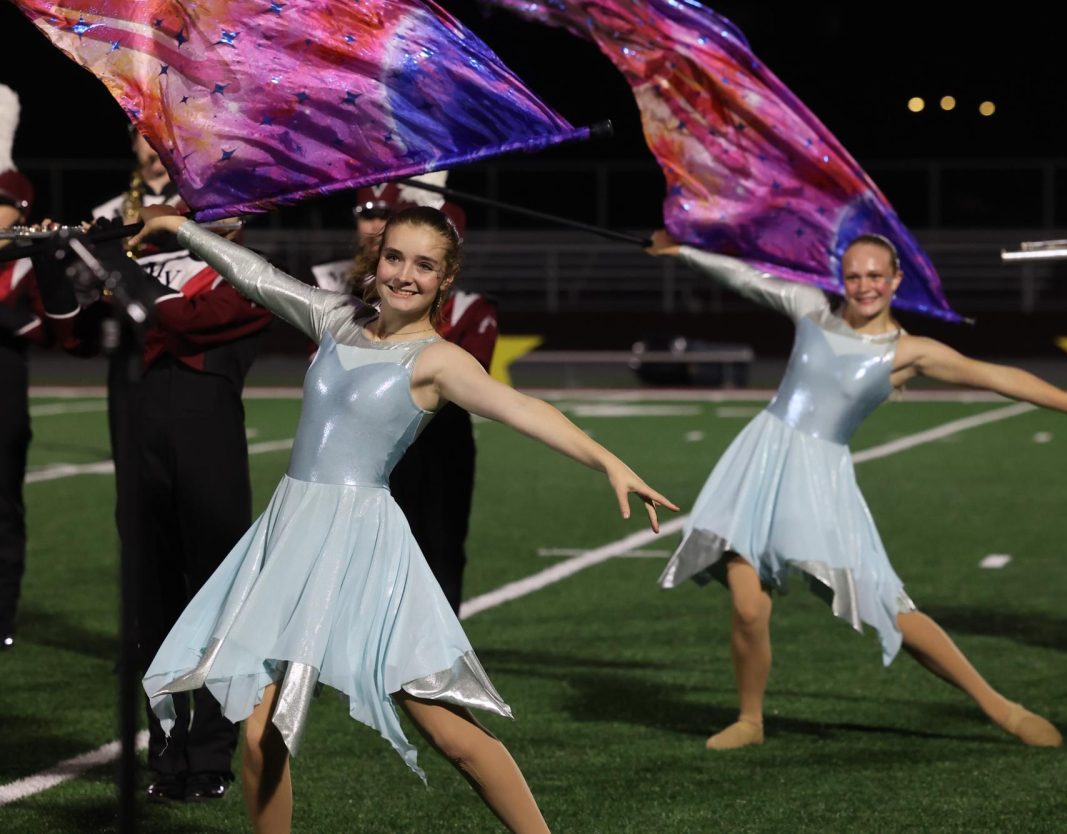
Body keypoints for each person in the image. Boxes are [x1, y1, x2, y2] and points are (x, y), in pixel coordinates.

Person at [134, 204, 675, 834]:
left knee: (451, 733)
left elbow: (524, 409)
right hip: (289, 538)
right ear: (375, 258)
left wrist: (608, 461)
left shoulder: (438, 361)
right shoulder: (335, 319)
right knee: (259, 733)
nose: (405, 274)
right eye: (395, 257)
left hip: (365, 549)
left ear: (446, 279)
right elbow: (254, 274)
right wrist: (181, 231)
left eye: (425, 265)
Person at [647, 229, 1067, 751]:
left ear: (896, 280)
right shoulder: (810, 309)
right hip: (759, 462)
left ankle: (1002, 708)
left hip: (819, 480)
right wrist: (683, 252)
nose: (864, 285)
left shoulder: (909, 352)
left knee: (890, 608)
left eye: (876, 275)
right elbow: (746, 277)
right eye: (854, 275)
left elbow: (992, 375)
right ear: (841, 278)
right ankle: (750, 719)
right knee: (747, 606)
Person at [84, 131, 274, 801]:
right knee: (151, 606)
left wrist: (120, 266)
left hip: (208, 446)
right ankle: (167, 758)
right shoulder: (125, 237)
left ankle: (213, 755)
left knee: (218, 602)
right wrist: (87, 259)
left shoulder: (239, 261)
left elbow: (199, 320)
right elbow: (71, 324)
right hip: (138, 444)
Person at [319, 180, 496, 612]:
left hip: (438, 441)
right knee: (367, 556)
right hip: (371, 444)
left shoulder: (471, 308)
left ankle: (436, 658)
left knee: (441, 547)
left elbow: (471, 387)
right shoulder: (351, 304)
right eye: (397, 255)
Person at [0, 84, 80, 650]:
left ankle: (1, 616)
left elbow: (57, 328)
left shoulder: (24, 268)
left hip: (5, 387)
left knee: (3, 507)